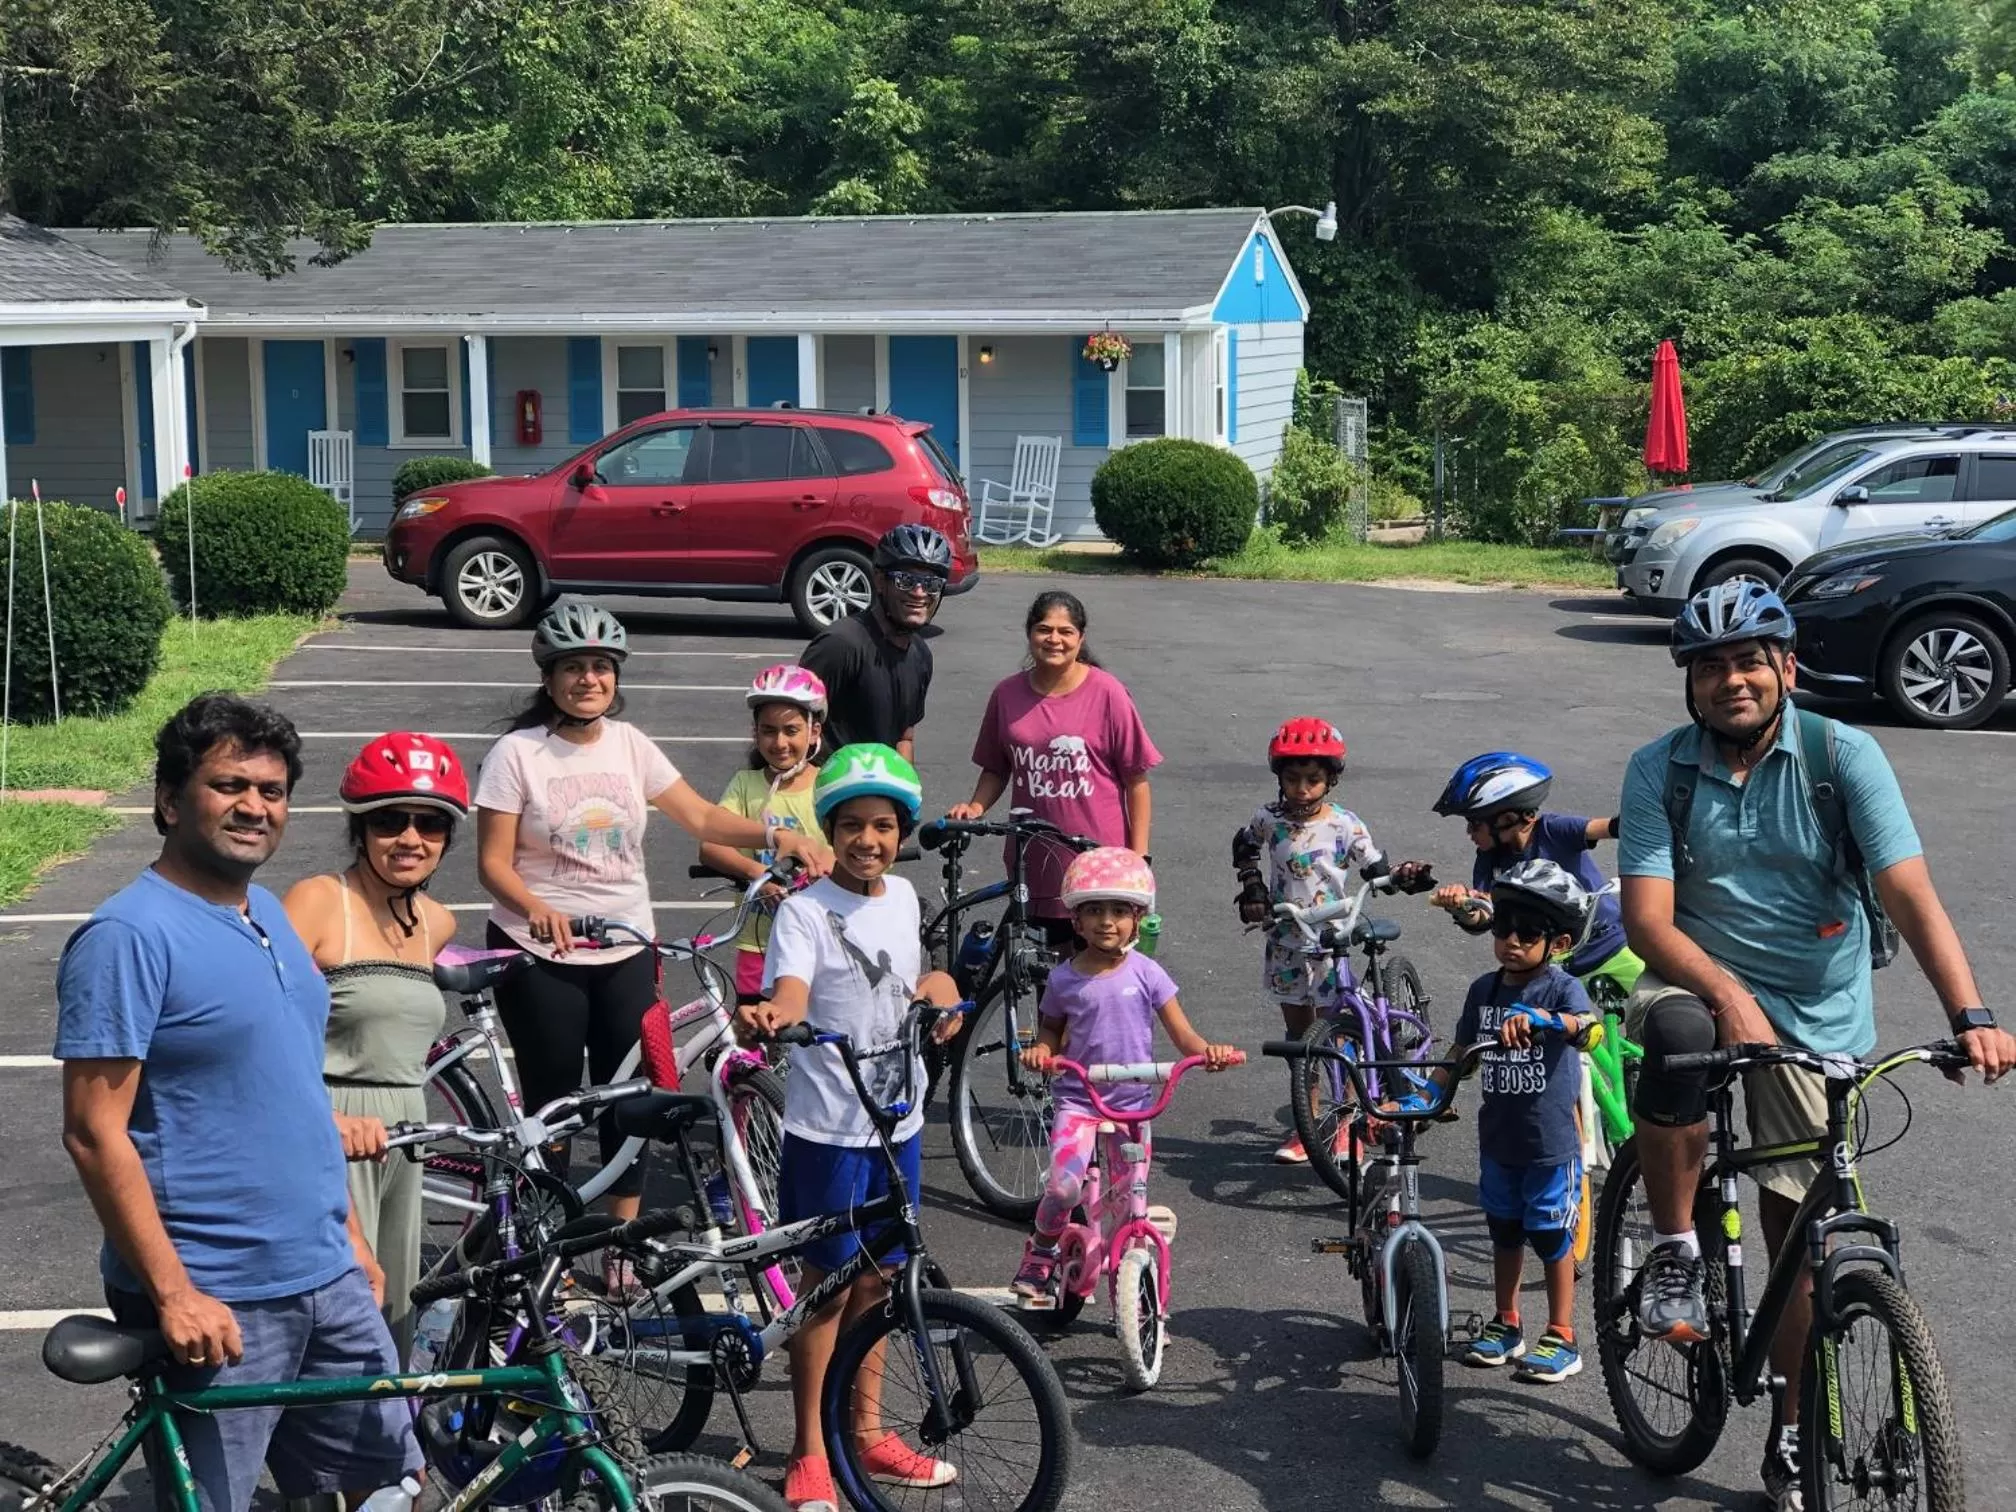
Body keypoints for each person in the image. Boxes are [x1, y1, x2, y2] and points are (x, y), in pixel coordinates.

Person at [1616, 580, 2015, 1509]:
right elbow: (1645, 920)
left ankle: (1793, 1434)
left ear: (1785, 667)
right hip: (1694, 974)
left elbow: (1909, 891)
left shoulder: (1845, 756)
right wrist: (1725, 992)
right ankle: (1673, 1247)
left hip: (1820, 1008)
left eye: (1749, 661)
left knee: (1798, 1229)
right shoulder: (1659, 770)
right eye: (1710, 666)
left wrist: (1972, 1015)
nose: (1731, 681)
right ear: (1690, 683)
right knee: (1675, 1034)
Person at [55, 694, 421, 1510]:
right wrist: (175, 1292)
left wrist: (352, 1238)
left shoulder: (270, 918)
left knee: (385, 1485)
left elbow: (292, 1094)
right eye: (229, 785)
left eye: (273, 789)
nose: (255, 806)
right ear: (169, 799)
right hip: (219, 1290)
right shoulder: (129, 937)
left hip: (325, 1273)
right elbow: (91, 1132)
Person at [475, 599, 831, 1278]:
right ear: (549, 677)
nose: (589, 680)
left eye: (601, 668)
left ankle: (620, 1247)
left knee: (636, 1102)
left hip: (627, 948)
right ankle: (542, 1239)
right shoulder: (516, 754)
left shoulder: (629, 743)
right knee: (554, 1105)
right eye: (574, 668)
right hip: (542, 954)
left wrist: (777, 835)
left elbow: (698, 813)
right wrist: (534, 905)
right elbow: (492, 863)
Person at [735, 744, 965, 1512]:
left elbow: (917, 979)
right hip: (828, 1131)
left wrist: (944, 988)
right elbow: (793, 991)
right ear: (830, 830)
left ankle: (865, 1432)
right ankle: (807, 1450)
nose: (870, 840)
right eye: (854, 826)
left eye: (885, 826)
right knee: (827, 1290)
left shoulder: (901, 896)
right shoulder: (804, 912)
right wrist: (777, 1015)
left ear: (901, 832)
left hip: (896, 1121)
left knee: (882, 1282)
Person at [283, 731, 465, 1358]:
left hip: (405, 1131)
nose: (410, 839)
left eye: (431, 824)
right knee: (339, 1307)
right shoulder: (317, 901)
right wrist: (321, 1118)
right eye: (390, 820)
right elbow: (266, 1028)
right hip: (332, 1125)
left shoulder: (438, 923)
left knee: (396, 1307)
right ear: (359, 827)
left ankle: (383, 1448)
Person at [1395, 861, 1599, 1384]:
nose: (1511, 941)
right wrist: (1425, 1097)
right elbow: (1460, 1056)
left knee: (1552, 1237)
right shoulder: (1484, 991)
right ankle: (1507, 1322)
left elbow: (1590, 1032)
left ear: (1558, 942)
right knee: (1504, 1233)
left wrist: (1546, 1022)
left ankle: (1562, 1335)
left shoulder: (1559, 989)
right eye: (1504, 928)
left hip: (1550, 1144)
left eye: (1527, 933)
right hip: (1500, 1142)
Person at [1009, 848, 1236, 1300]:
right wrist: (1042, 1051)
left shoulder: (1148, 973)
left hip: (1135, 1105)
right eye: (1094, 911)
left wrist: (1208, 1052)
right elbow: (1052, 1028)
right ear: (1075, 921)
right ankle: (1042, 1250)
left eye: (1118, 911)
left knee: (1128, 1204)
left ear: (1137, 920)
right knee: (1063, 1186)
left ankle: (1138, 1304)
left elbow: (1183, 1033)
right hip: (1079, 1100)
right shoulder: (1064, 980)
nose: (1106, 922)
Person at [948, 590, 1161, 945]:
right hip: (1033, 861)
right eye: (1044, 629)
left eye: (1066, 631)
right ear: (1029, 633)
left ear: (1081, 638)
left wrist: (1138, 857)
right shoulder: (1007, 694)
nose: (1054, 639)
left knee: (1100, 976)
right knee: (1049, 979)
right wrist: (975, 806)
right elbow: (997, 768)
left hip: (1099, 865)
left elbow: (1136, 780)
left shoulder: (1107, 693)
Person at [1232, 717, 1397, 1164]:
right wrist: (1252, 888)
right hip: (1285, 937)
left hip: (1330, 939)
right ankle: (1308, 1118)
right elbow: (1244, 846)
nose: (1302, 788)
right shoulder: (1268, 818)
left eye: (1313, 779)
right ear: (1279, 778)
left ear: (1330, 780)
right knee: (1300, 1037)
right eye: (1292, 779)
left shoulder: (1344, 824)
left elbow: (1374, 866)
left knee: (1334, 1034)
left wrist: (1395, 877)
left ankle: (1346, 1124)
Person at [1417, 752, 1641, 1000]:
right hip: (1550, 968)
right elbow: (1484, 916)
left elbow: (1611, 827)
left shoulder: (1552, 831)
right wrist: (1461, 907)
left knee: (1664, 1014)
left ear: (1509, 819)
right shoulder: (1489, 860)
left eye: (1475, 823)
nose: (1469, 832)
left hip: (1612, 947)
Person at [697, 665, 829, 1004]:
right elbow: (710, 845)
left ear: (814, 731)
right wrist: (760, 876)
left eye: (791, 730)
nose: (780, 742)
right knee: (753, 1030)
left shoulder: (829, 786)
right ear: (755, 733)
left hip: (822, 939)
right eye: (769, 730)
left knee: (814, 1032)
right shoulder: (746, 785)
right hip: (758, 939)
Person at [799, 525, 952, 762]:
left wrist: (907, 791)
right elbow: (790, 725)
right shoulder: (841, 644)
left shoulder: (920, 655)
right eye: (906, 580)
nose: (920, 592)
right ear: (880, 581)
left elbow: (904, 737)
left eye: (931, 583)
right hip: (826, 790)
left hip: (881, 792)